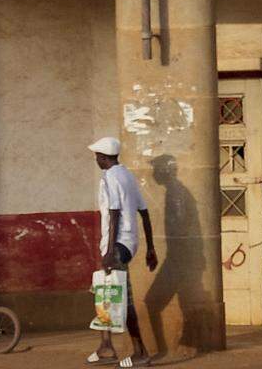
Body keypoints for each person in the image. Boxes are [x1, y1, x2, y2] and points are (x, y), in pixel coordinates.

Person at [86, 137, 159, 368]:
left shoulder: (109, 177)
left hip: (116, 245)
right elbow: (144, 213)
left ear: (104, 157)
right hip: (129, 243)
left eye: (97, 155)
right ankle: (106, 345)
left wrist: (108, 252)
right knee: (104, 293)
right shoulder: (127, 174)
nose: (96, 159)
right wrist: (150, 249)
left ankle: (141, 352)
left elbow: (114, 212)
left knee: (120, 299)